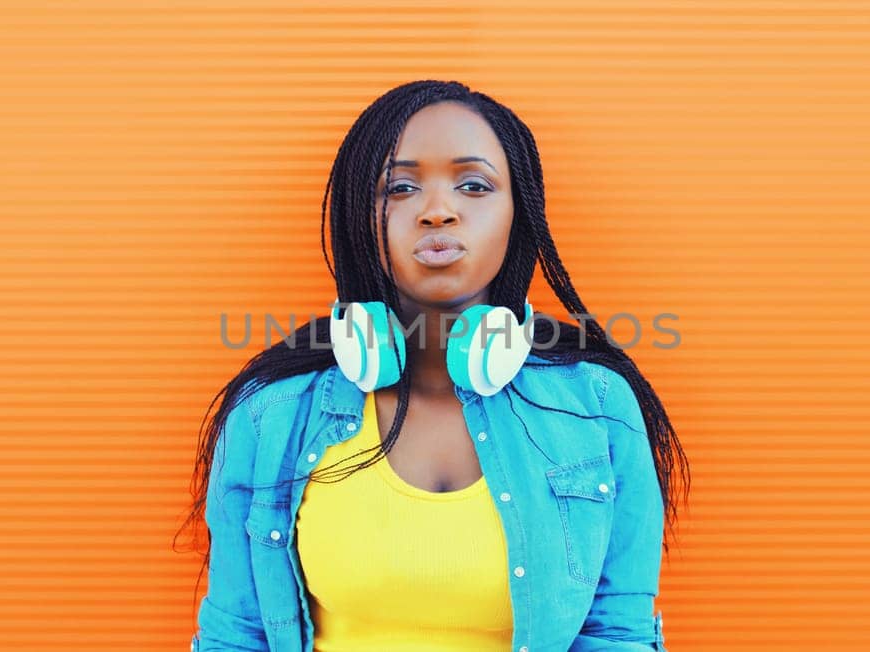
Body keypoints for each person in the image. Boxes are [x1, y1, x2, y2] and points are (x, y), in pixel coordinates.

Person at [181, 80, 689, 651]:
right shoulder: (268, 415)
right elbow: (236, 636)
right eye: (400, 187)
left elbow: (616, 634)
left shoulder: (599, 405)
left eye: (474, 185)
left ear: (518, 212)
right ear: (356, 215)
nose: (438, 211)